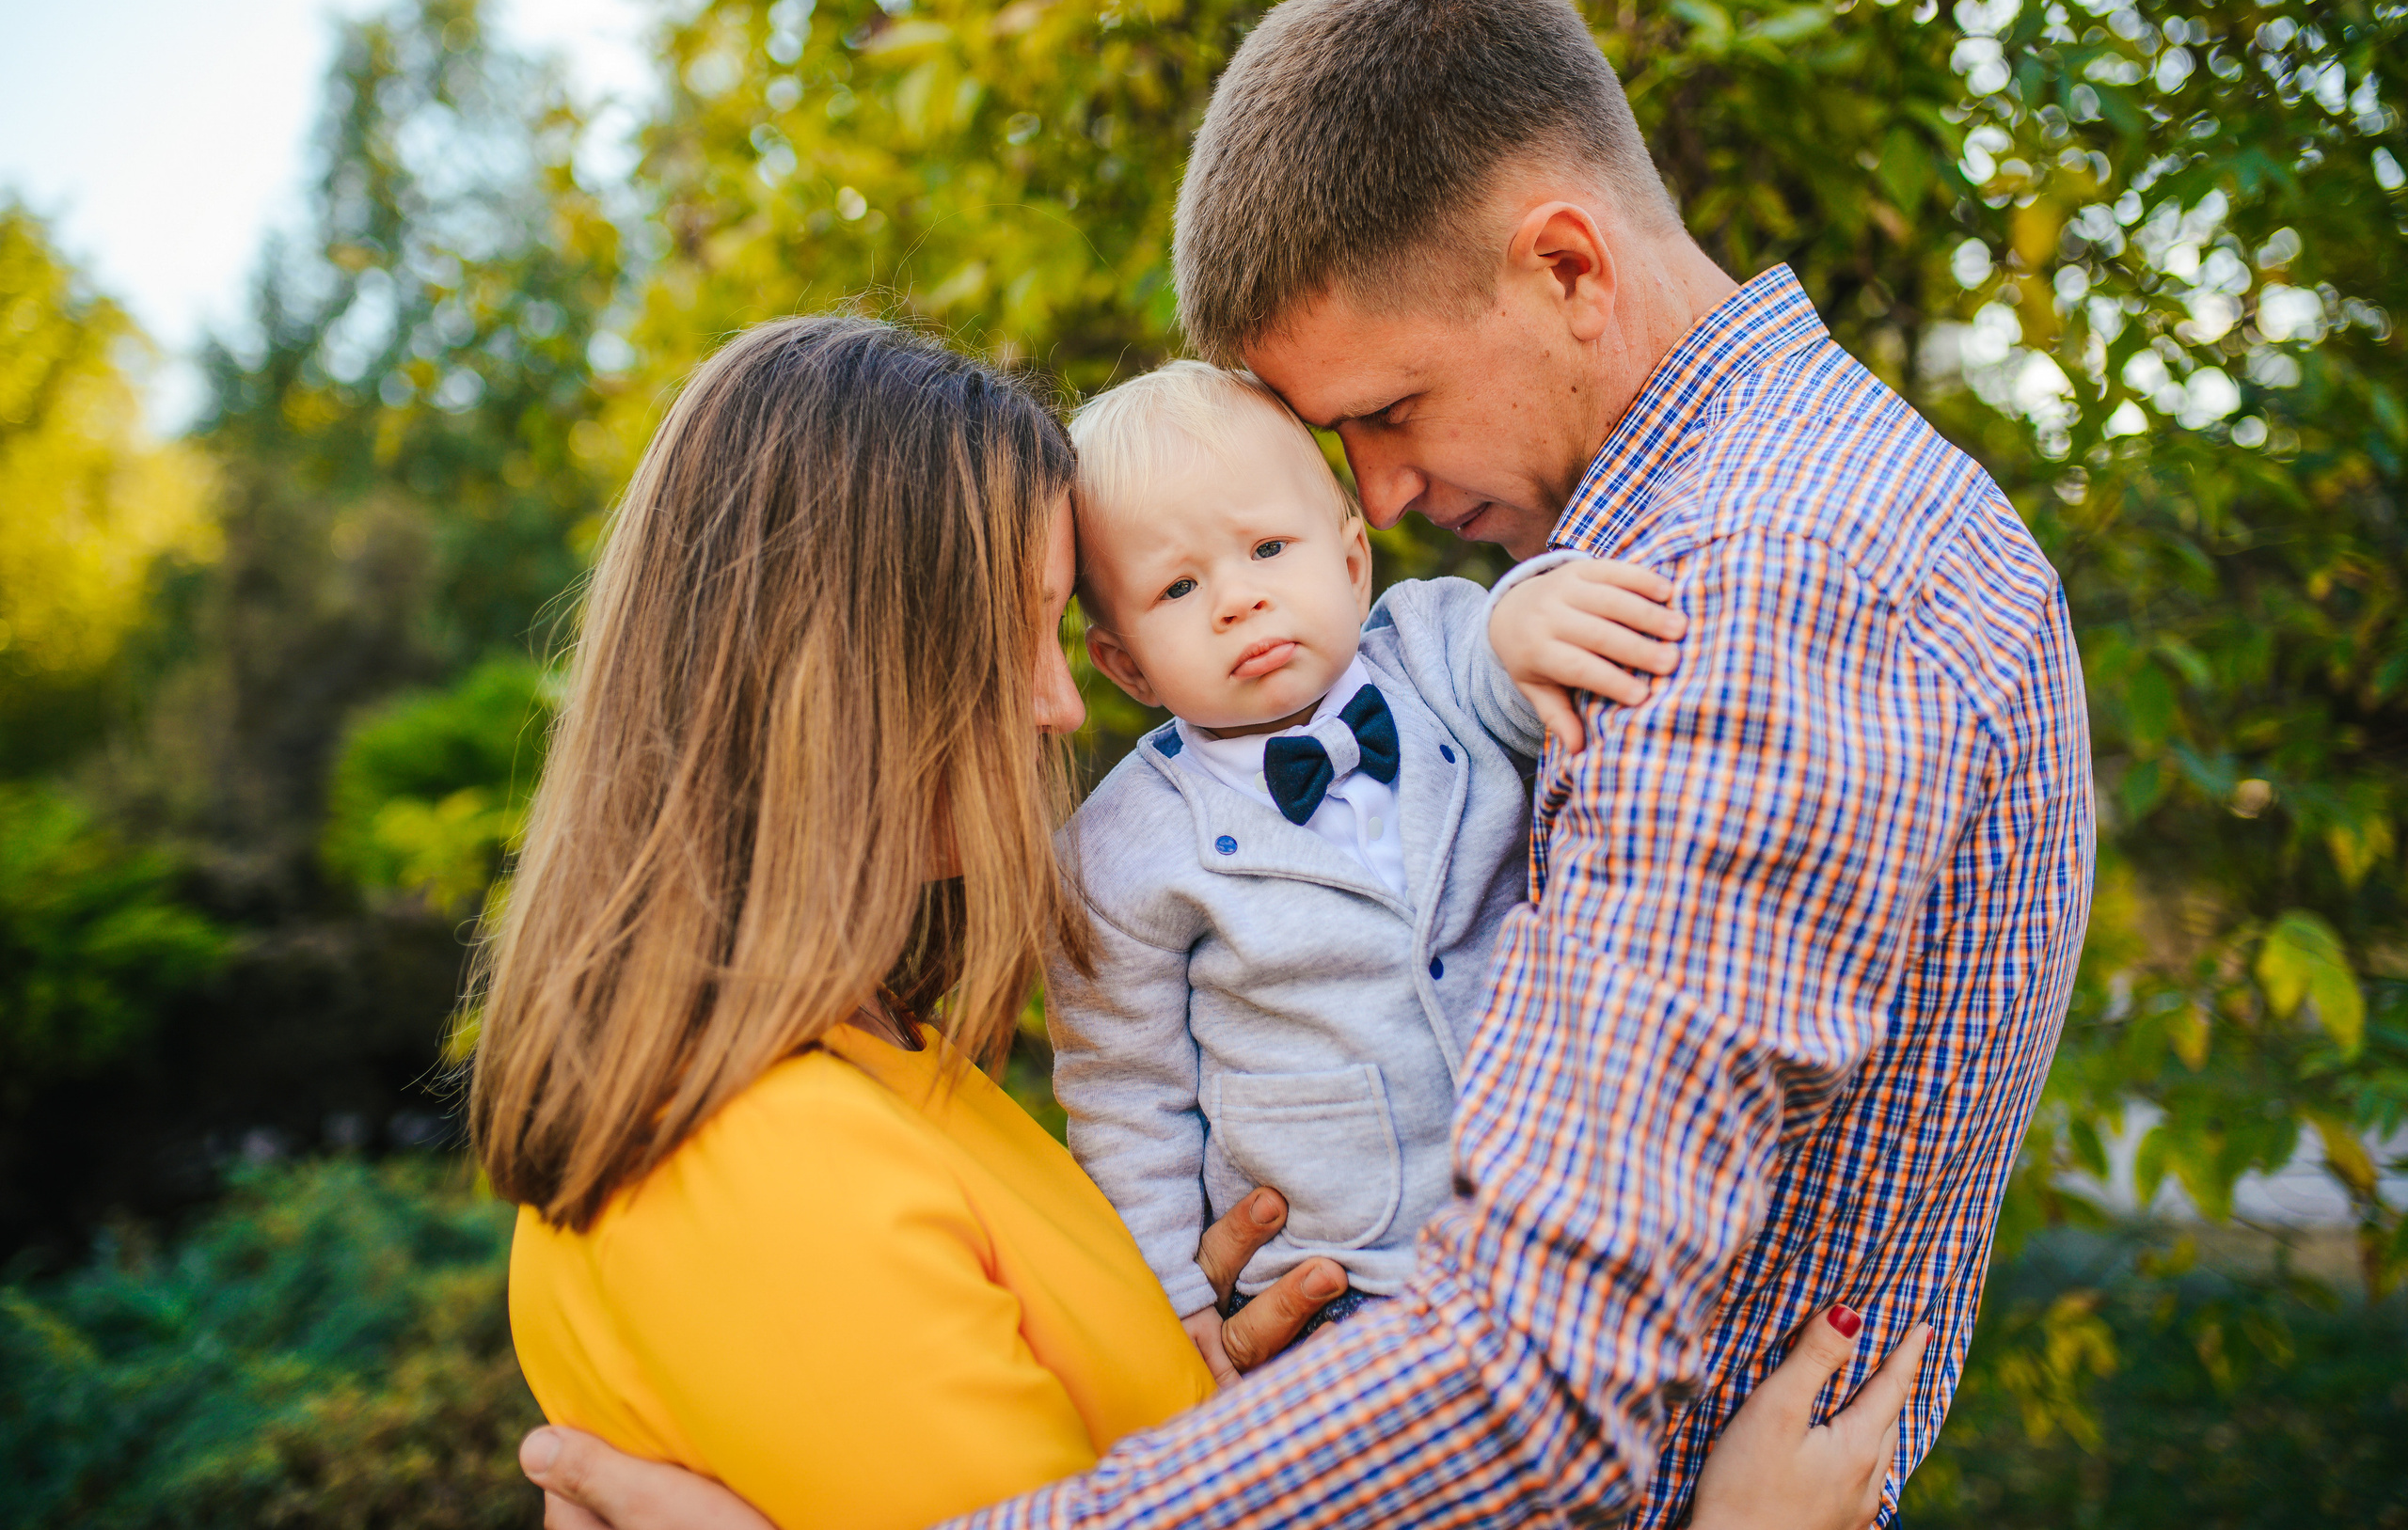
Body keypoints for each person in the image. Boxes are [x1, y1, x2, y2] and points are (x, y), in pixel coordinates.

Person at [522, 0, 2091, 1530]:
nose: (1381, 507)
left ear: (1567, 267)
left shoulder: (1767, 586)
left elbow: (1532, 1380)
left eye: (1390, 412)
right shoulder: (1726, 555)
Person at [484, 313, 1920, 1530]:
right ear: (844, 688)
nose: (1060, 708)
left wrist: (1204, 1351)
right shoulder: (756, 1175)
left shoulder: (885, 1071)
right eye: (1027, 640)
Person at [1054, 358, 1683, 1373]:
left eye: (1266, 546)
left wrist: (1526, 614)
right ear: (1125, 663)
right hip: (1334, 1285)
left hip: (1560, 1217)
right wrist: (1170, 1302)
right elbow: (1127, 1094)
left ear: (1352, 559)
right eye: (1177, 586)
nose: (1237, 599)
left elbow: (1519, 669)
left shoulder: (1436, 647)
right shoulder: (1118, 847)